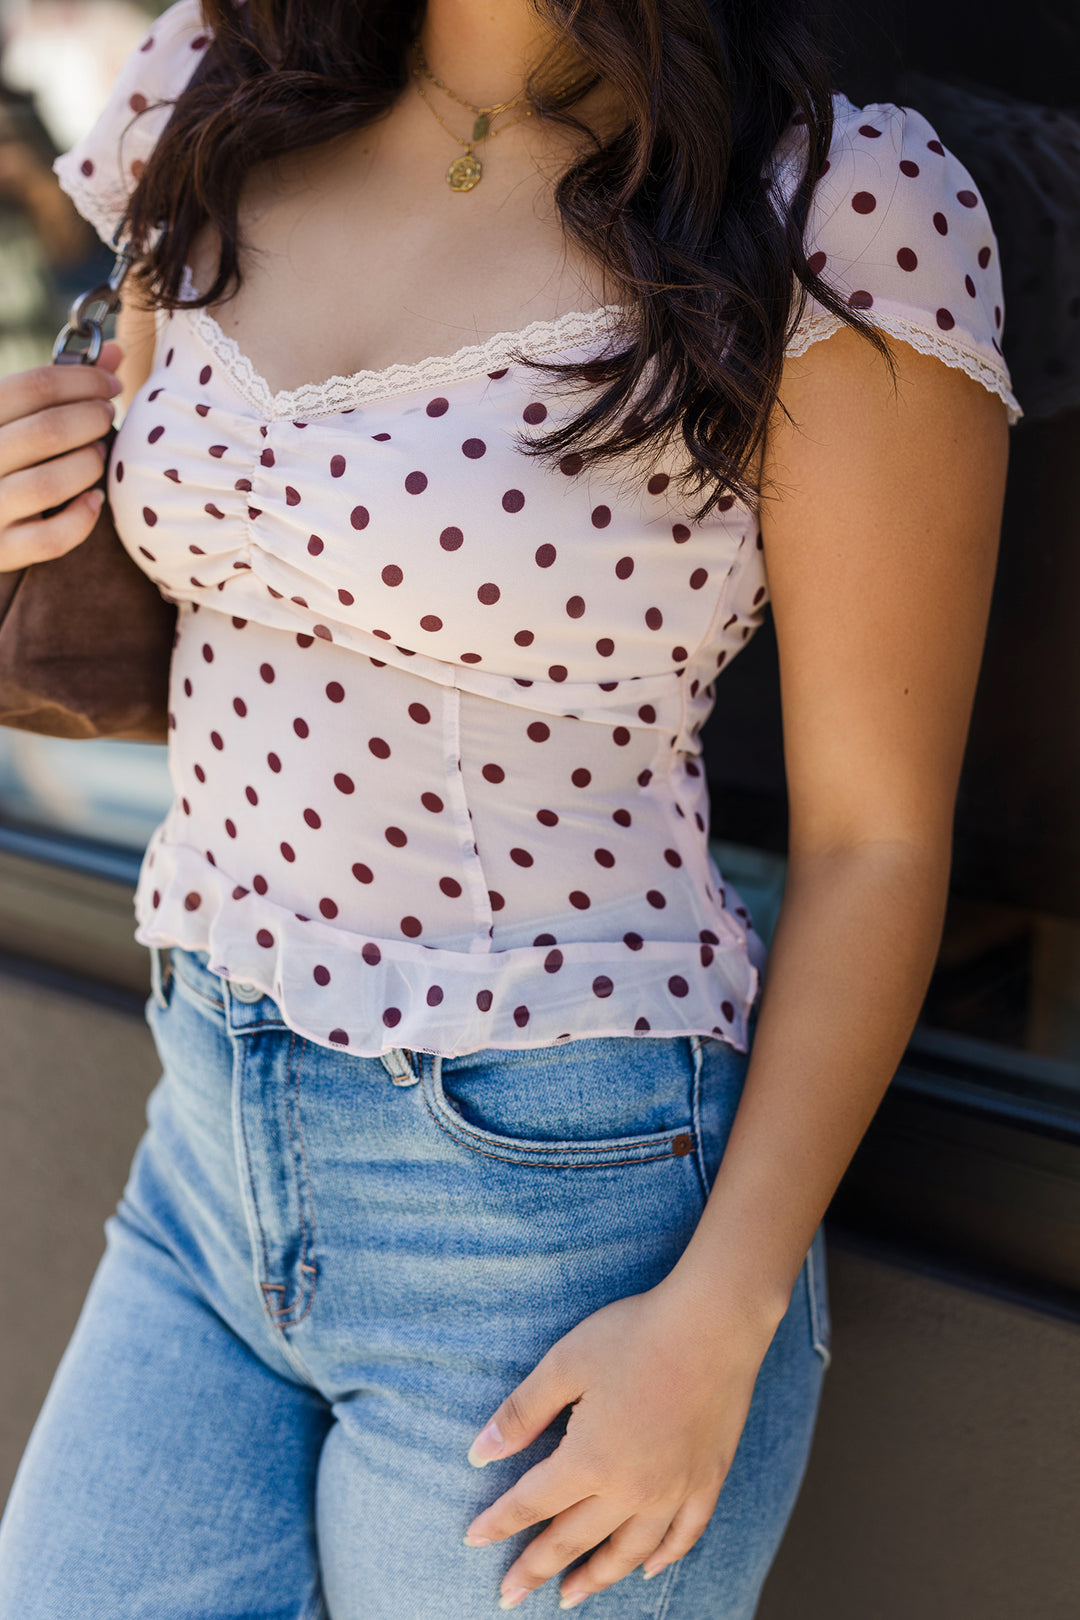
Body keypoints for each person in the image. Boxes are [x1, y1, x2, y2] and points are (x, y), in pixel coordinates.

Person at [0, 1, 1018, 1615]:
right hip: (204, 1137)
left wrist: (722, 1311)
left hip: (559, 1211)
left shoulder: (832, 208)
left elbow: (875, 841)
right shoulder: (207, 90)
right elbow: (212, 603)